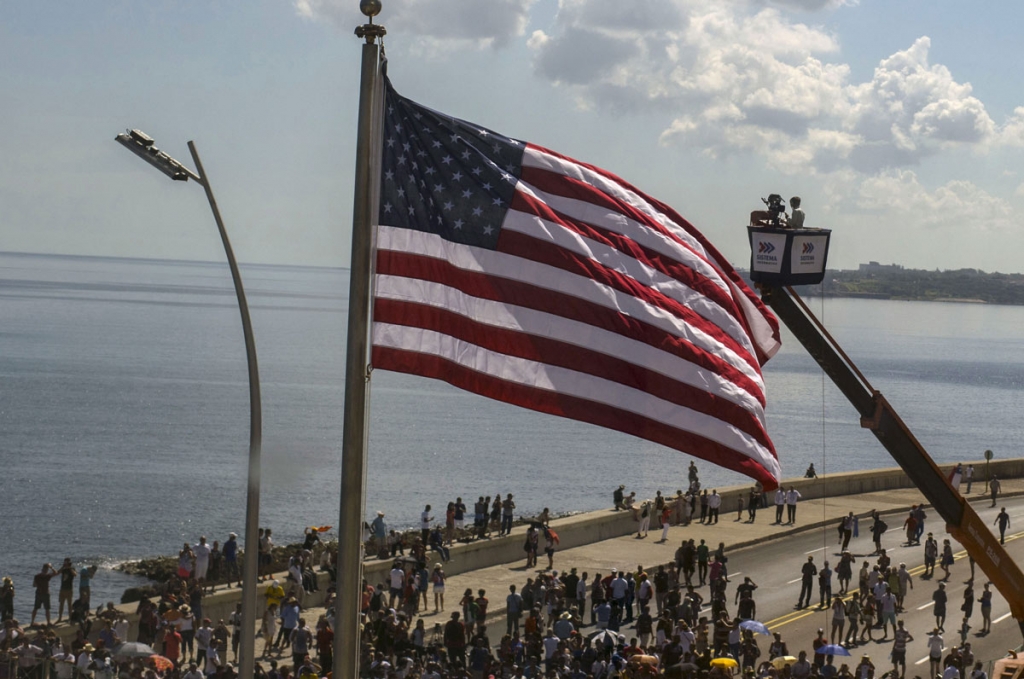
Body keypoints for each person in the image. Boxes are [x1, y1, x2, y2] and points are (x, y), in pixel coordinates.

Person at [30, 562, 57, 627]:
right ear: (47, 569)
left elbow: (34, 585)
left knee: (35, 608)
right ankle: (48, 622)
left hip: (38, 593)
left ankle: (32, 622)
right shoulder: (47, 576)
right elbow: (55, 573)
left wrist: (39, 585)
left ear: (42, 568)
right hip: (45, 593)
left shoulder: (37, 576)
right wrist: (51, 567)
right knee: (47, 609)